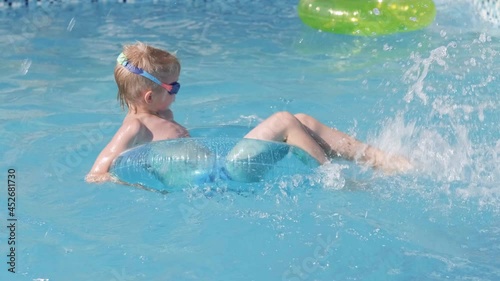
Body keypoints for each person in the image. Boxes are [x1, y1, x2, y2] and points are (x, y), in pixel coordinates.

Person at [85, 42, 411, 183]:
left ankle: (382, 160)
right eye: (174, 89)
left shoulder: (160, 115)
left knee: (304, 121)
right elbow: (98, 170)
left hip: (220, 167)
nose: (177, 93)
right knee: (284, 120)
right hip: (221, 177)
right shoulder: (136, 126)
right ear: (149, 95)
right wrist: (131, 181)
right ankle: (337, 180)